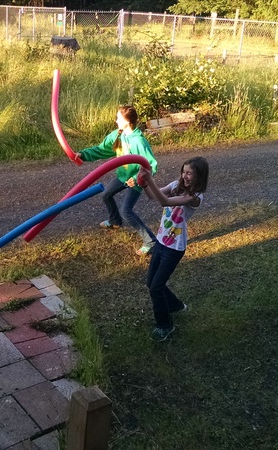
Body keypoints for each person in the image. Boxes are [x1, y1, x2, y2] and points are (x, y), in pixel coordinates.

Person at [137, 156, 209, 342]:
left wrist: (149, 178)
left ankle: (165, 326)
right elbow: (153, 196)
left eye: (189, 173)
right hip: (161, 241)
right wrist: (144, 183)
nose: (184, 176)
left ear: (199, 176)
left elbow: (165, 202)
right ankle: (175, 305)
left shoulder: (195, 197)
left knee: (155, 288)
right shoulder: (176, 184)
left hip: (174, 248)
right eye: (183, 172)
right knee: (151, 283)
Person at [75, 105, 158, 256]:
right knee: (106, 195)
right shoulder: (117, 135)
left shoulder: (139, 141)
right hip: (122, 176)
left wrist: (137, 178)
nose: (115, 120)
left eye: (118, 118)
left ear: (127, 121)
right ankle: (115, 221)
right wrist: (83, 154)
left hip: (136, 180)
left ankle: (150, 242)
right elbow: (101, 149)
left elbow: (151, 164)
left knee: (126, 210)